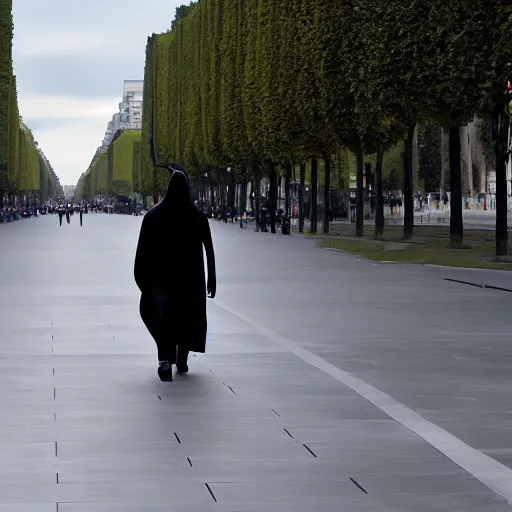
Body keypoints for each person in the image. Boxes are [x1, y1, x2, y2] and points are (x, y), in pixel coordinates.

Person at [134, 170, 216, 382]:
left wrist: (143, 281)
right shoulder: (197, 216)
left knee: (161, 317)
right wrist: (212, 278)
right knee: (189, 317)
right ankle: (182, 356)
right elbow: (209, 248)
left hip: (162, 280)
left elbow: (142, 252)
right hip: (190, 279)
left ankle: (164, 357)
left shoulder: (153, 216)